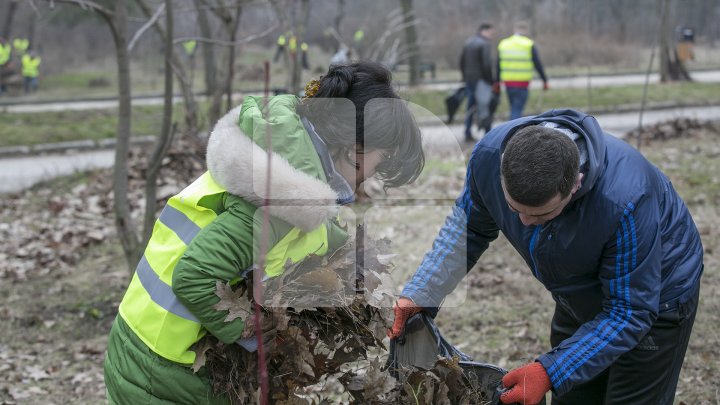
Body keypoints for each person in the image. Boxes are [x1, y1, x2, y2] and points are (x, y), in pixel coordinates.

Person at [103, 61, 425, 404]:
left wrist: (349, 259)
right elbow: (194, 277)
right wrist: (262, 337)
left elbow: (303, 225)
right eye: (382, 157)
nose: (377, 172)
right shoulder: (274, 205)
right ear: (356, 148)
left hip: (146, 345)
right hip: (161, 370)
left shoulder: (288, 167)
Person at [389, 109, 703, 405]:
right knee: (574, 395)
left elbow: (629, 312)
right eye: (515, 210)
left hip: (658, 297)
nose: (525, 223)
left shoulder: (626, 200)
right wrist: (422, 291)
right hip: (577, 291)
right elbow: (467, 231)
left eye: (542, 214)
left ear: (576, 185)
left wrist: (549, 370)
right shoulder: (488, 159)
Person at [497, 21, 549, 120]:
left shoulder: (504, 44)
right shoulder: (528, 44)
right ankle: (512, 131)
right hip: (522, 83)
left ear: (514, 30)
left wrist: (496, 81)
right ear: (525, 31)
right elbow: (537, 63)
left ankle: (510, 129)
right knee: (517, 109)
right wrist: (544, 80)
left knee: (513, 108)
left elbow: (498, 64)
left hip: (508, 83)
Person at [459, 22, 496, 142]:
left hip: (470, 80)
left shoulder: (468, 42)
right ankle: (488, 133)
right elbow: (486, 65)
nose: (492, 35)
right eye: (491, 32)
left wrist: (465, 77)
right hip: (482, 81)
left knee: (470, 106)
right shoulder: (484, 44)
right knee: (485, 106)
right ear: (484, 31)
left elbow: (461, 62)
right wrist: (491, 80)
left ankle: (467, 132)